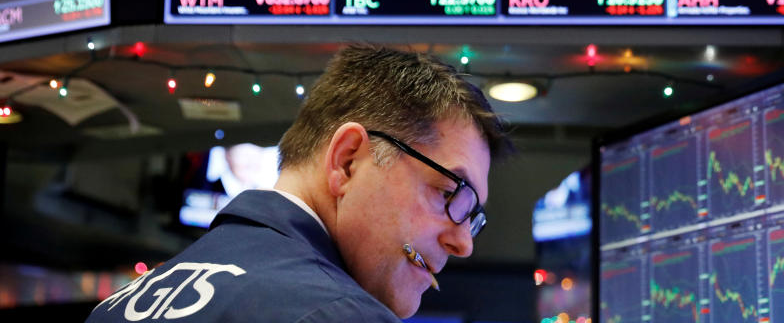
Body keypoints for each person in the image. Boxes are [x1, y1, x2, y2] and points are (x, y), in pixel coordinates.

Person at [86, 44, 510, 322]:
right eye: (450, 193)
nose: (464, 243)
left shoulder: (114, 307)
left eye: (473, 218)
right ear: (347, 162)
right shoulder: (340, 315)